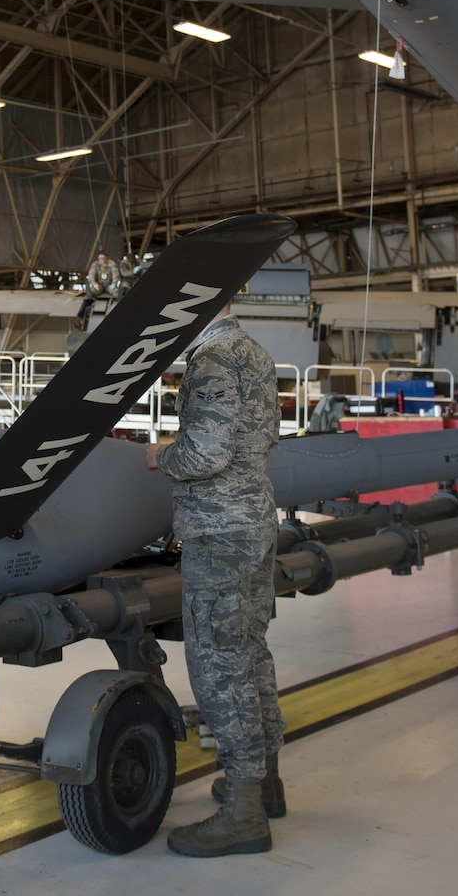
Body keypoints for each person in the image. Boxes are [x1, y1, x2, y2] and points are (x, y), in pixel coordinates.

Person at [144, 311, 283, 857]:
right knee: (249, 653)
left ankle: (244, 814)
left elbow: (205, 453)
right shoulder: (254, 350)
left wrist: (161, 456)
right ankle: (265, 783)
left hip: (220, 533)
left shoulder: (212, 360)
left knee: (219, 666)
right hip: (253, 521)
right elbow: (263, 436)